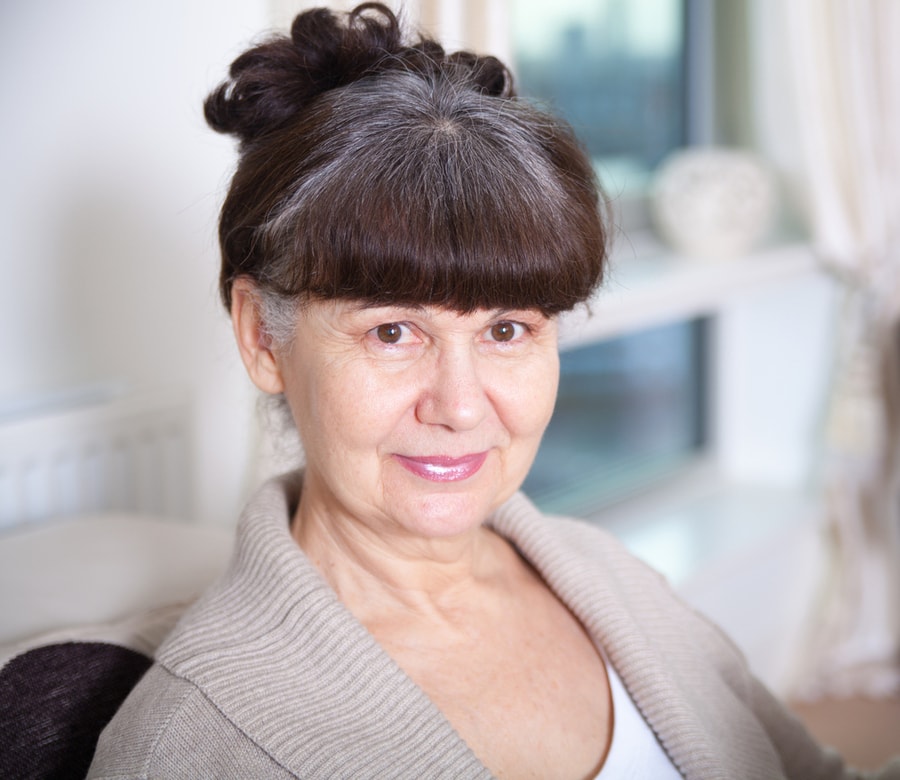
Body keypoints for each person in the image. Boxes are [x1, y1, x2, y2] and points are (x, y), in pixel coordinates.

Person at [89, 5, 898, 778]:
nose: (462, 406)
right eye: (393, 332)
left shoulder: (606, 578)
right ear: (263, 338)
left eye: (508, 330)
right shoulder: (190, 743)